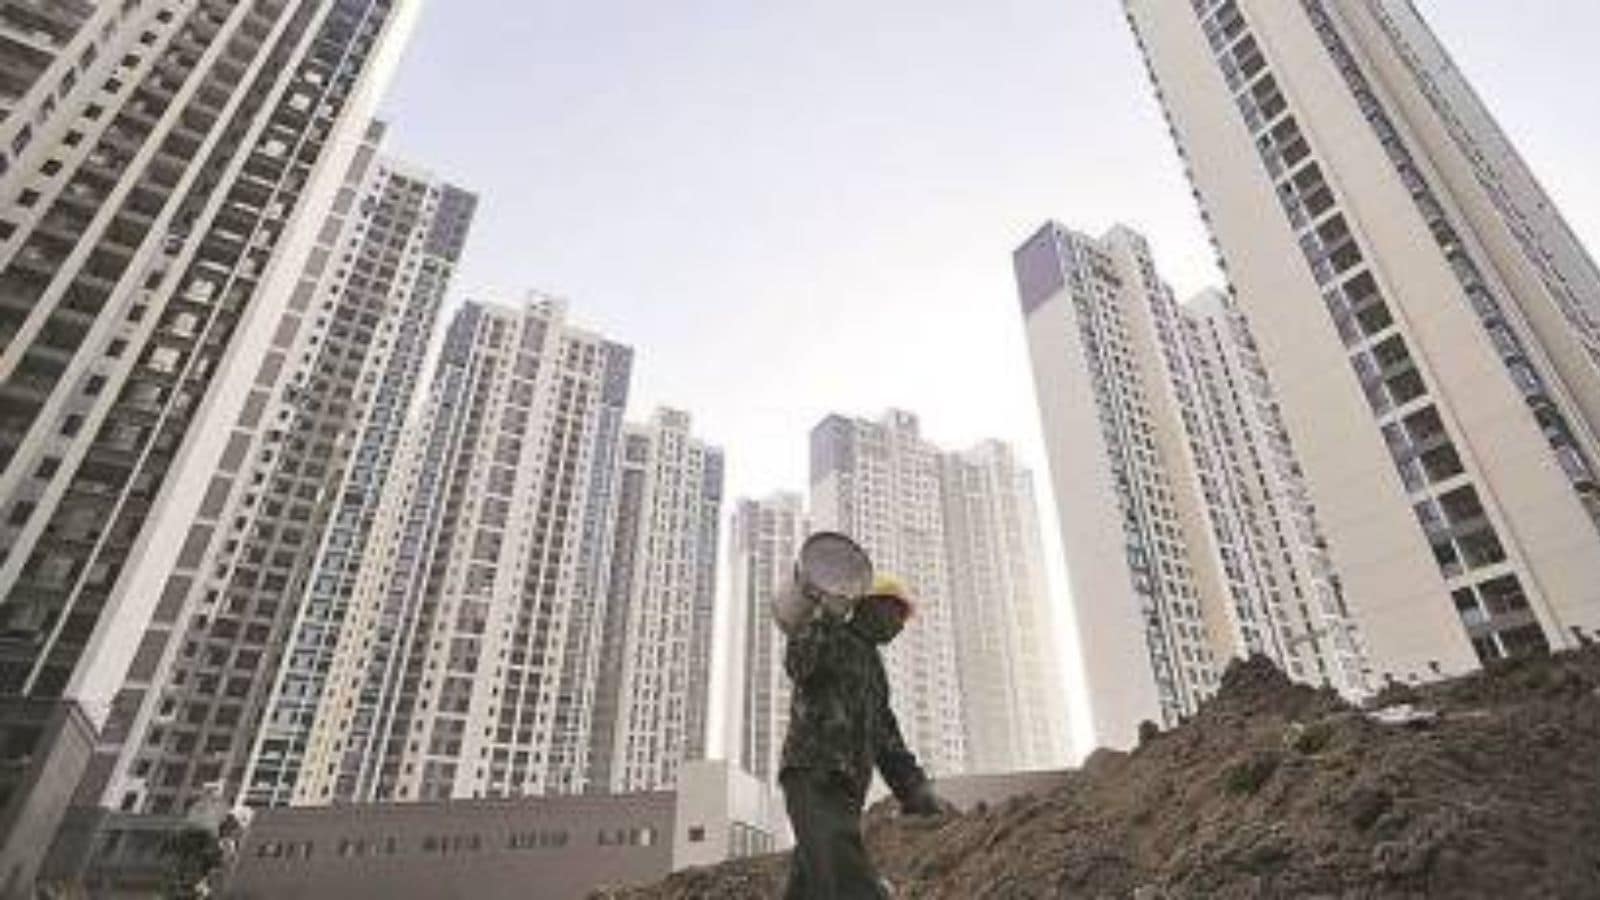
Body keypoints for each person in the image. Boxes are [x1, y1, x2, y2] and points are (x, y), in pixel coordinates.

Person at [779, 574, 946, 899]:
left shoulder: (872, 665)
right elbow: (799, 663)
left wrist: (913, 788)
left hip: (847, 786)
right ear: (870, 604)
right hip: (814, 773)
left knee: (812, 881)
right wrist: (827, 616)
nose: (899, 626)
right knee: (847, 876)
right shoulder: (829, 634)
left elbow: (885, 736)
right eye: (896, 612)